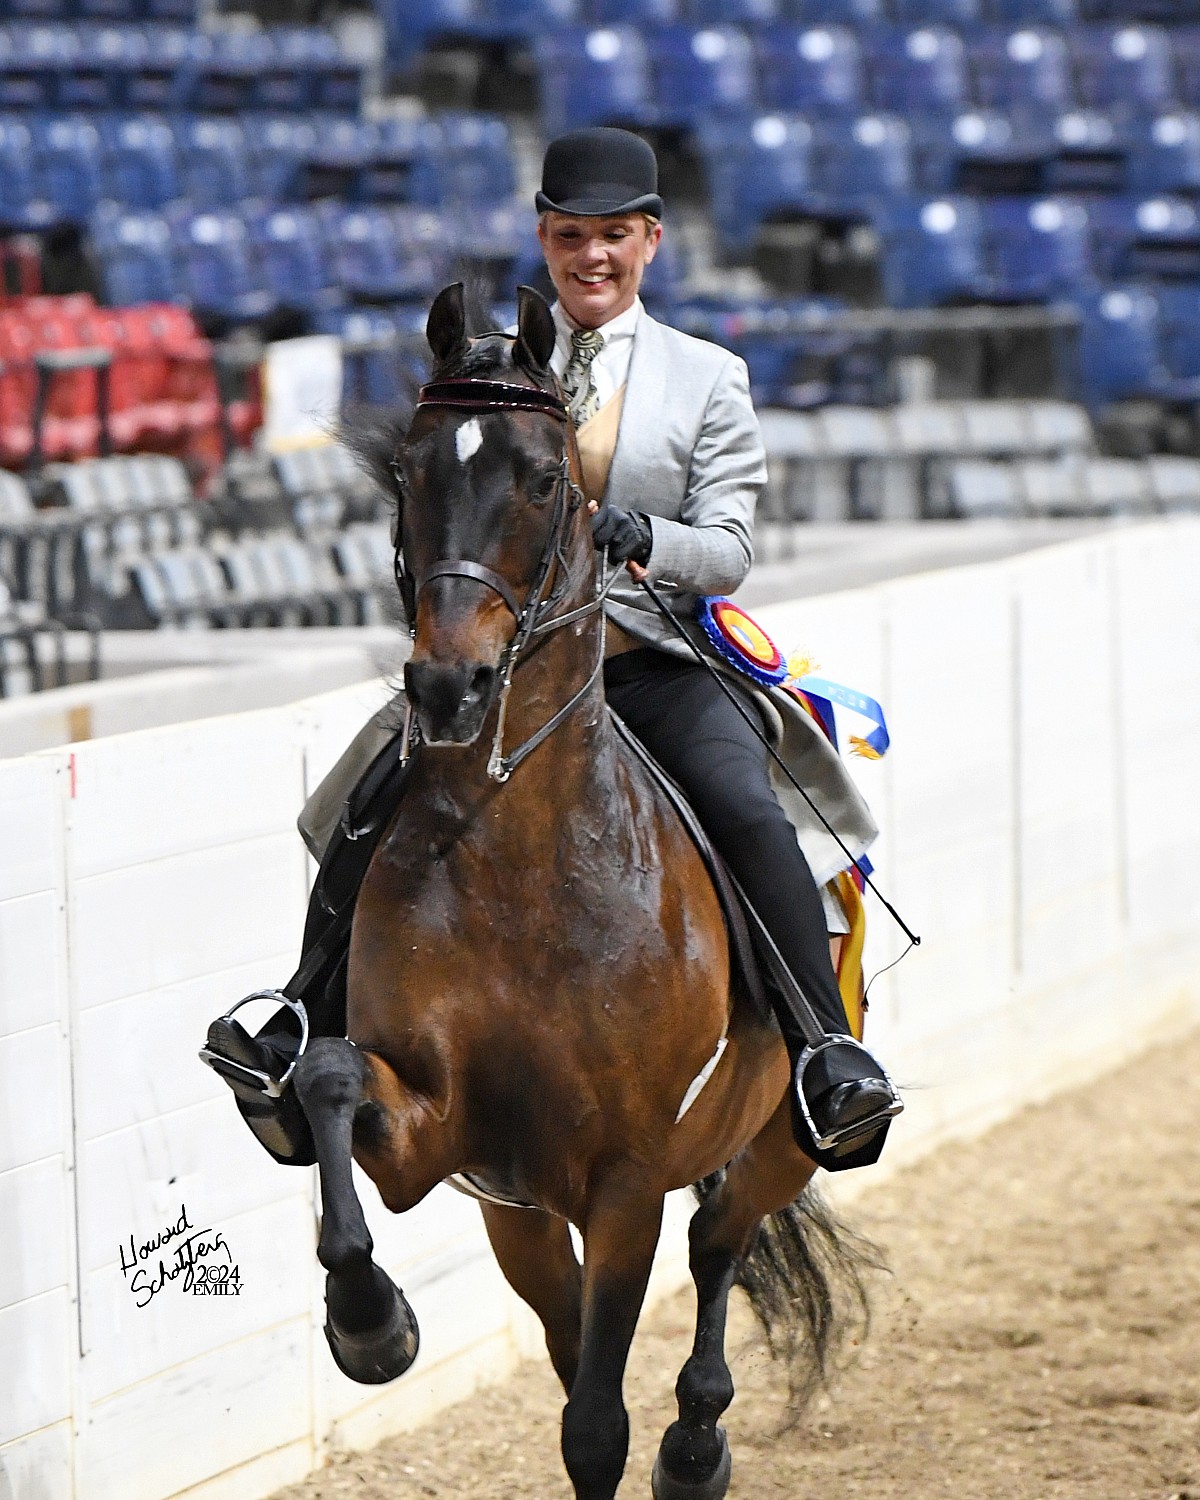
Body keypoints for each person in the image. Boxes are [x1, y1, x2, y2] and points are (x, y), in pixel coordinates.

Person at [202, 127, 900, 1171]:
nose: (593, 257)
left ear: (651, 240)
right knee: (364, 800)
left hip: (650, 663)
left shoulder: (706, 378)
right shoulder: (494, 375)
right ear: (546, 237)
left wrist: (648, 538)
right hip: (502, 674)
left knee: (750, 809)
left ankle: (822, 1052)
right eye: (572, 236)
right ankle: (300, 1013)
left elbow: (734, 547)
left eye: (615, 236)